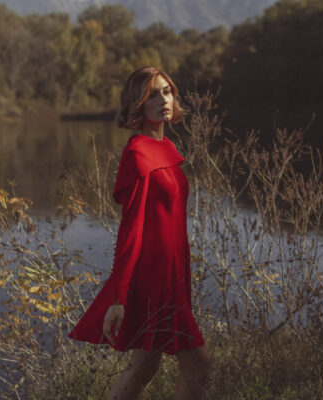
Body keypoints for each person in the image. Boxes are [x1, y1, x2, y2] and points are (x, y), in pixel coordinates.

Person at [67, 66, 211, 399]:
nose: (164, 99)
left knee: (145, 366)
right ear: (137, 105)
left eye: (167, 91)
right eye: (153, 94)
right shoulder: (138, 154)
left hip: (175, 271)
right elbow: (130, 231)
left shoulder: (168, 149)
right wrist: (119, 298)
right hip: (154, 278)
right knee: (199, 365)